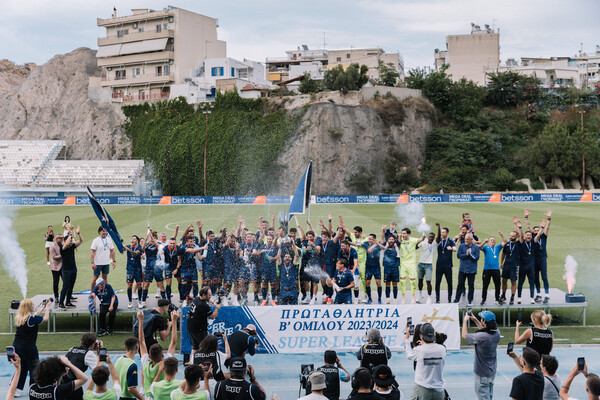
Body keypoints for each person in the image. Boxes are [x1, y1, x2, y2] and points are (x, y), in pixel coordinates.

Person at [12, 298, 51, 395]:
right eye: (32, 305)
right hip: (28, 347)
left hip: (17, 346)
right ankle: (34, 389)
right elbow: (45, 319)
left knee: (21, 367)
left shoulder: (20, 317)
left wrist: (42, 306)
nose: (34, 306)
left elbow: (35, 316)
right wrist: (48, 308)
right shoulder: (31, 319)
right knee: (35, 368)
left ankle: (15, 389)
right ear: (29, 307)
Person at [137, 309, 178, 400]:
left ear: (149, 356)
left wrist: (140, 321)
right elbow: (173, 342)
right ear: (162, 355)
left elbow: (141, 342)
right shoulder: (166, 362)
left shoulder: (146, 362)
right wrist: (174, 321)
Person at [462, 311, 501, 400]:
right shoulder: (497, 333)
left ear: (484, 322)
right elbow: (485, 330)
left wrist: (465, 321)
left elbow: (464, 335)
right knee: (489, 396)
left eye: (481, 319)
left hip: (482, 374)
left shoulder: (481, 336)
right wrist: (475, 320)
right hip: (491, 372)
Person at [404, 323, 446, 400]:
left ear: (421, 336)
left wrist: (406, 338)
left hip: (423, 388)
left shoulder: (420, 350)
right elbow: (431, 348)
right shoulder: (442, 349)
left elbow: (409, 355)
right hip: (439, 390)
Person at [61, 334, 101, 400]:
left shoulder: (72, 349)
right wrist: (99, 352)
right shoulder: (89, 354)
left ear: (81, 342)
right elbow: (99, 371)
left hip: (62, 382)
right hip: (75, 384)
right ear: (93, 345)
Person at [527, 209, 552, 304]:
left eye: (538, 230)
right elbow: (528, 227)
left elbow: (547, 228)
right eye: (535, 230)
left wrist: (549, 219)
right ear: (533, 232)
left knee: (544, 277)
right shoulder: (532, 238)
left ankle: (547, 295)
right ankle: (538, 294)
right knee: (536, 278)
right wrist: (526, 218)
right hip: (534, 260)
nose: (537, 231)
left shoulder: (543, 236)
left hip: (542, 259)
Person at [188, 286, 221, 355]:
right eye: (209, 295)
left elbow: (207, 300)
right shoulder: (203, 305)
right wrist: (217, 308)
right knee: (205, 347)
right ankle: (204, 361)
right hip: (199, 329)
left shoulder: (196, 299)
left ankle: (192, 361)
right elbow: (213, 316)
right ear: (204, 295)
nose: (210, 297)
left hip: (191, 326)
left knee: (195, 346)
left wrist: (213, 303)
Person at [398, 228, 426, 304]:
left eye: (404, 233)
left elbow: (422, 239)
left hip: (411, 264)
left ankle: (413, 297)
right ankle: (403, 298)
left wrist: (424, 231)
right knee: (402, 281)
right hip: (403, 263)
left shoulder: (413, 240)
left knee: (413, 282)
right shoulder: (400, 240)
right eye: (402, 233)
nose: (403, 235)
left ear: (408, 234)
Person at [59, 225, 83, 309]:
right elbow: (66, 244)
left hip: (73, 269)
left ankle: (68, 302)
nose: (72, 241)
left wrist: (78, 233)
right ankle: (61, 302)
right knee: (65, 286)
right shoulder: (62, 248)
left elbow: (81, 240)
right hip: (66, 270)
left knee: (71, 286)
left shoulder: (72, 246)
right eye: (70, 240)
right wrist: (70, 234)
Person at [479, 233, 505, 305]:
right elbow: (479, 247)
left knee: (497, 285)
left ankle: (497, 299)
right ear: (489, 242)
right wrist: (484, 242)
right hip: (487, 269)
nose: (493, 241)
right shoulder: (486, 247)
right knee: (485, 285)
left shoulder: (497, 247)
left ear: (495, 242)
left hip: (496, 269)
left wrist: (501, 235)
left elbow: (505, 242)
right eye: (491, 240)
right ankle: (483, 299)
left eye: (494, 240)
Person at [500, 218, 523, 306]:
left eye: (512, 236)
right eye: (510, 235)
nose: (510, 237)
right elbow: (503, 253)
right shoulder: (507, 244)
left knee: (513, 281)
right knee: (503, 280)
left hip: (514, 265)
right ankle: (503, 295)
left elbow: (521, 236)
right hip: (506, 265)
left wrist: (518, 226)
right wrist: (501, 263)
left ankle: (512, 297)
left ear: (516, 237)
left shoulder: (519, 243)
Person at [454, 233, 480, 306]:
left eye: (468, 239)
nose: (466, 240)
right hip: (462, 269)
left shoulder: (476, 247)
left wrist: (470, 254)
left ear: (472, 239)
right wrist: (466, 254)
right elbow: (458, 256)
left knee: (471, 285)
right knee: (460, 285)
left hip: (472, 270)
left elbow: (476, 258)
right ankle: (457, 299)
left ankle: (470, 300)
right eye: (465, 239)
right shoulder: (462, 246)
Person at [141, 229, 165, 306]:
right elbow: (142, 249)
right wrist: (146, 237)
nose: (152, 239)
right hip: (149, 268)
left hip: (157, 268)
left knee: (161, 284)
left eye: (154, 237)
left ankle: (164, 301)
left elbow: (159, 247)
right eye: (151, 237)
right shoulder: (148, 245)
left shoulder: (159, 244)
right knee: (146, 285)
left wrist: (151, 236)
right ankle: (143, 301)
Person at [434, 223, 456, 304]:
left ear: (447, 233)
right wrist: (439, 228)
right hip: (439, 265)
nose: (442, 234)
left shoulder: (450, 241)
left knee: (449, 282)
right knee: (438, 282)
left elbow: (455, 248)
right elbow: (438, 236)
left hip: (448, 265)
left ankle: (449, 297)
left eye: (444, 232)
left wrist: (451, 248)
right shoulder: (438, 240)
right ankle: (437, 297)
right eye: (441, 232)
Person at [90, 226, 116, 293]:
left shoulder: (109, 240)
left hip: (106, 262)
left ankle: (105, 290)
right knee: (96, 277)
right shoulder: (96, 240)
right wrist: (92, 262)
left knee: (105, 277)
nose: (104, 232)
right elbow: (92, 252)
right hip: (97, 262)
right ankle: (92, 291)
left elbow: (112, 250)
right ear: (99, 232)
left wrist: (114, 261)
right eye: (103, 231)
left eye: (105, 231)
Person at [417, 232, 437, 304]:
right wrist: (420, 239)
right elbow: (416, 247)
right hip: (421, 264)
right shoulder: (424, 241)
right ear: (428, 237)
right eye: (430, 237)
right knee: (420, 280)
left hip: (428, 265)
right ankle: (420, 295)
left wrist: (438, 228)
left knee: (428, 281)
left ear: (434, 238)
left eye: (432, 237)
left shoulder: (435, 243)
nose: (430, 238)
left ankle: (429, 297)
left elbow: (438, 238)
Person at [362, 234, 383, 304]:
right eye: (369, 239)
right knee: (367, 283)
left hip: (376, 267)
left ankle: (379, 298)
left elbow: (383, 243)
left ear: (374, 239)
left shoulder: (378, 245)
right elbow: (357, 244)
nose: (370, 240)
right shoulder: (366, 244)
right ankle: (369, 298)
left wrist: (383, 231)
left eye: (371, 239)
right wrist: (349, 243)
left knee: (378, 283)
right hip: (368, 267)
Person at [124, 236, 143, 308]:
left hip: (138, 269)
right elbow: (121, 249)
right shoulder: (128, 246)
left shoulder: (139, 248)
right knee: (129, 285)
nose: (132, 240)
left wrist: (128, 250)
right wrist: (120, 242)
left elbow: (135, 254)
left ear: (137, 241)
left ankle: (140, 301)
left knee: (139, 285)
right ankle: (130, 301)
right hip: (130, 269)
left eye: (134, 239)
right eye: (132, 239)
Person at [163, 236, 183, 303]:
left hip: (176, 266)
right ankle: (168, 299)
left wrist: (177, 269)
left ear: (175, 243)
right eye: (171, 243)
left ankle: (181, 297)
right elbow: (161, 251)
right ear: (168, 243)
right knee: (168, 283)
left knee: (180, 281)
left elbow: (180, 259)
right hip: (168, 266)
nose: (172, 245)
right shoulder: (166, 248)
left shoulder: (178, 248)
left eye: (173, 243)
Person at [380, 234, 399, 304]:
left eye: (392, 239)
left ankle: (395, 300)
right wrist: (386, 247)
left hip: (395, 268)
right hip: (387, 268)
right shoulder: (385, 247)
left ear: (394, 240)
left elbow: (399, 255)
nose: (391, 240)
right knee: (387, 284)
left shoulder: (396, 247)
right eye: (390, 239)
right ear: (387, 240)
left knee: (395, 284)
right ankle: (388, 299)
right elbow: (381, 255)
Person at [50, 232, 64, 302]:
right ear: (56, 239)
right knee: (56, 282)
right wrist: (63, 255)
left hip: (63, 266)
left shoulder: (64, 244)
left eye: (63, 238)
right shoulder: (52, 246)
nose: (62, 239)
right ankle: (56, 296)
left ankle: (67, 295)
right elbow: (54, 257)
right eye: (61, 238)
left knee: (66, 281)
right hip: (55, 267)